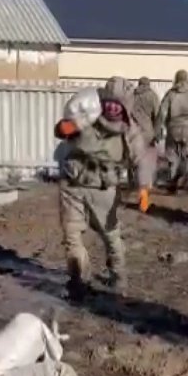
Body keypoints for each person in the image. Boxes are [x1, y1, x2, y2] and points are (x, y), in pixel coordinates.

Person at [55, 79, 145, 298]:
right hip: (72, 185)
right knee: (72, 235)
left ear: (127, 106)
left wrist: (143, 188)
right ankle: (78, 280)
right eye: (109, 102)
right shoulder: (87, 117)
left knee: (111, 235)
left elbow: (140, 160)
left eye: (119, 104)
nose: (113, 107)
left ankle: (119, 278)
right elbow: (62, 131)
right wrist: (64, 128)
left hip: (103, 190)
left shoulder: (131, 131)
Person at [129, 76, 160, 193]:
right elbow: (157, 114)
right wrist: (157, 132)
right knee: (148, 158)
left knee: (132, 157)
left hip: (134, 131)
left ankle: (132, 182)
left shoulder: (132, 95)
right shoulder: (152, 96)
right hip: (148, 131)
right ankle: (147, 184)